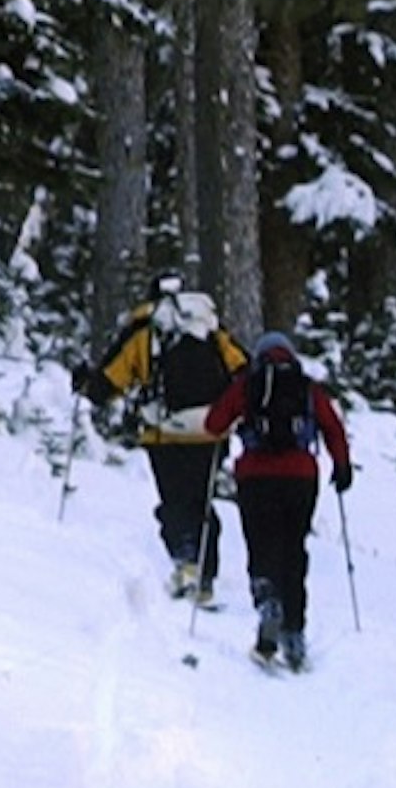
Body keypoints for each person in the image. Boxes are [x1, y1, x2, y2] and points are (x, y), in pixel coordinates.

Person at [70, 278, 247, 603]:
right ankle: (205, 577)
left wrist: (86, 384)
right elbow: (243, 369)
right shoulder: (209, 329)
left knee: (175, 501)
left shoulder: (146, 331)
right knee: (202, 502)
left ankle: (186, 564)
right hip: (211, 429)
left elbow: (111, 380)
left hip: (166, 432)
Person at [201, 329, 355, 671]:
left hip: (255, 478)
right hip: (301, 477)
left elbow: (214, 424)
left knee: (261, 545)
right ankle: (295, 634)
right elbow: (333, 428)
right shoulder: (307, 387)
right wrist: (342, 467)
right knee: (293, 550)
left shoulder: (249, 384)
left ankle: (267, 603)